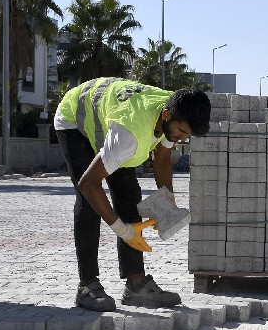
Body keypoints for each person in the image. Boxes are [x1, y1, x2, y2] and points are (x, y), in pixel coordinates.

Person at [54, 77, 211, 311]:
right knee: (88, 202)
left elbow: (162, 156)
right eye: (182, 132)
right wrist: (122, 230)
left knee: (129, 196)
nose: (183, 138)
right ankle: (87, 285)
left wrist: (165, 204)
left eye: (188, 136)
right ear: (167, 115)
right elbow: (89, 185)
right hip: (75, 120)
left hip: (113, 122)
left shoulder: (170, 112)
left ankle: (136, 284)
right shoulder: (130, 136)